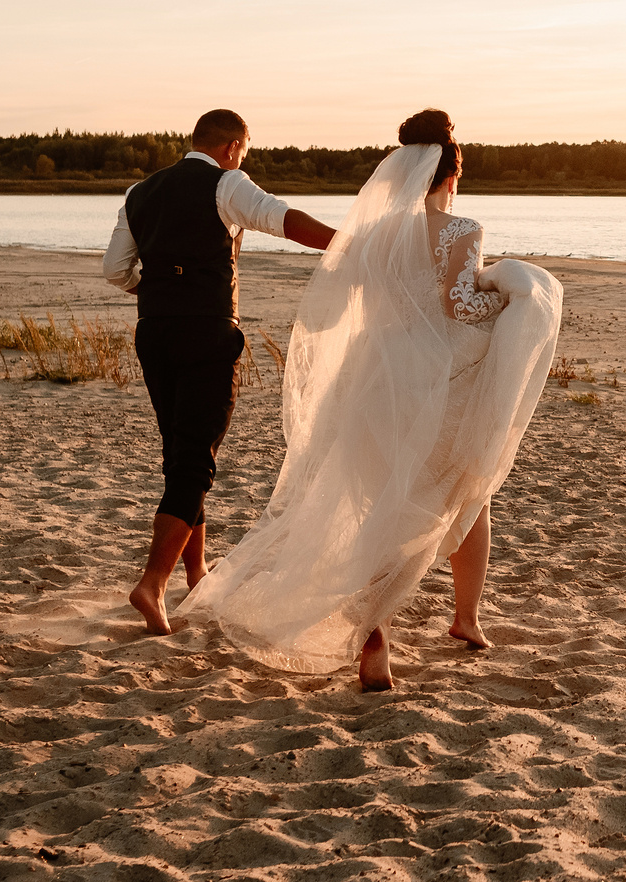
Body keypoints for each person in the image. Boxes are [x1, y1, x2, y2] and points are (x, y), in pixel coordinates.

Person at [183, 109, 563, 690]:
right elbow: (459, 307)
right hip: (438, 382)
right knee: (466, 492)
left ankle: (377, 631)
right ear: (450, 175)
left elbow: (362, 300)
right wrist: (506, 296)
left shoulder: (374, 235)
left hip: (373, 378)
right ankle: (465, 618)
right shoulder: (462, 231)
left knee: (374, 503)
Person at [102, 108, 337, 634]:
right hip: (208, 333)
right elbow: (283, 219)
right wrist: (344, 242)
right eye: (245, 152)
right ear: (233, 147)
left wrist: (162, 292)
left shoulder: (140, 192)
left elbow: (115, 269)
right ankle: (152, 583)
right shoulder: (227, 183)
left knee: (181, 451)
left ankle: (196, 575)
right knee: (195, 460)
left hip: (154, 332)